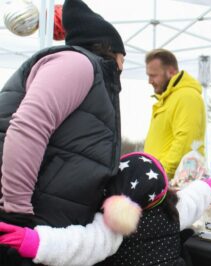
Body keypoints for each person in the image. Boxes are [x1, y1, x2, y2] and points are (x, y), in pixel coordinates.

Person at [0, 0, 125, 264]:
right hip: (24, 229)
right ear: (111, 50)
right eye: (123, 57)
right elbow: (28, 126)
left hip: (44, 230)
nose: (124, 65)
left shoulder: (92, 74)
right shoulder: (77, 64)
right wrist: (16, 211)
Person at [0, 152, 211, 266]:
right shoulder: (175, 209)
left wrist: (35, 241)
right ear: (163, 189)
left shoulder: (114, 225)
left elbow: (81, 244)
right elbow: (195, 197)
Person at [144, 48, 206, 179]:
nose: (149, 81)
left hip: (175, 184)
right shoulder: (167, 99)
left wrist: (160, 174)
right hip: (163, 181)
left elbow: (185, 142)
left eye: (153, 75)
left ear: (171, 72)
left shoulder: (187, 96)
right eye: (148, 75)